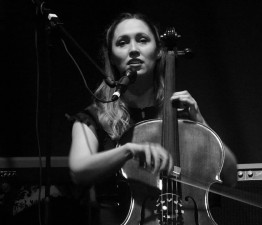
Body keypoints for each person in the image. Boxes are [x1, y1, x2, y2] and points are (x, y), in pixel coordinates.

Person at [68, 12, 237, 224]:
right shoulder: (93, 117)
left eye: (142, 40)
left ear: (158, 51)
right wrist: (128, 150)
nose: (133, 50)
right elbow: (79, 171)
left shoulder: (180, 114)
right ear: (111, 56)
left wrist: (201, 123)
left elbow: (231, 176)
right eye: (122, 43)